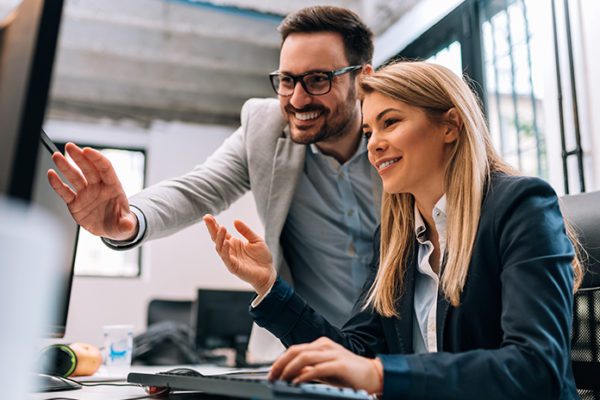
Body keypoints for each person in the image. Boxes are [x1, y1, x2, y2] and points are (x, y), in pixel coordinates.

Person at [203, 61, 583, 398]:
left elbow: (537, 368)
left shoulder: (522, 207)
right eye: (369, 132)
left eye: (390, 122)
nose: (375, 145)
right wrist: (269, 286)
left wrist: (379, 375)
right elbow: (354, 353)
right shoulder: (395, 238)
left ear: (449, 125)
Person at [46, 6, 380, 357]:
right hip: (305, 350)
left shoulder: (399, 137)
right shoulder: (264, 128)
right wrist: (129, 220)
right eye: (286, 80)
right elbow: (198, 189)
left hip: (399, 349)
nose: (297, 99)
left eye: (317, 80)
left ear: (363, 79)